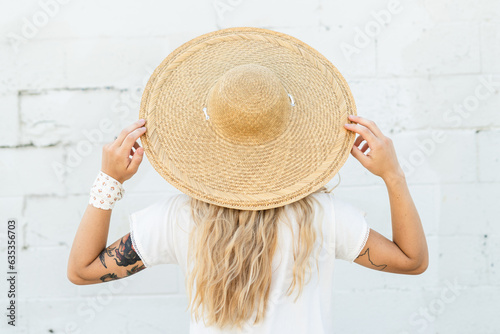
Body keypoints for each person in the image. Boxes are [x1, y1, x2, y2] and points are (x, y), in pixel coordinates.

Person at [67, 28, 428, 333]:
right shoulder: (322, 216)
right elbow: (412, 261)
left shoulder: (181, 218)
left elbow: (82, 270)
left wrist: (109, 181)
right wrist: (392, 175)